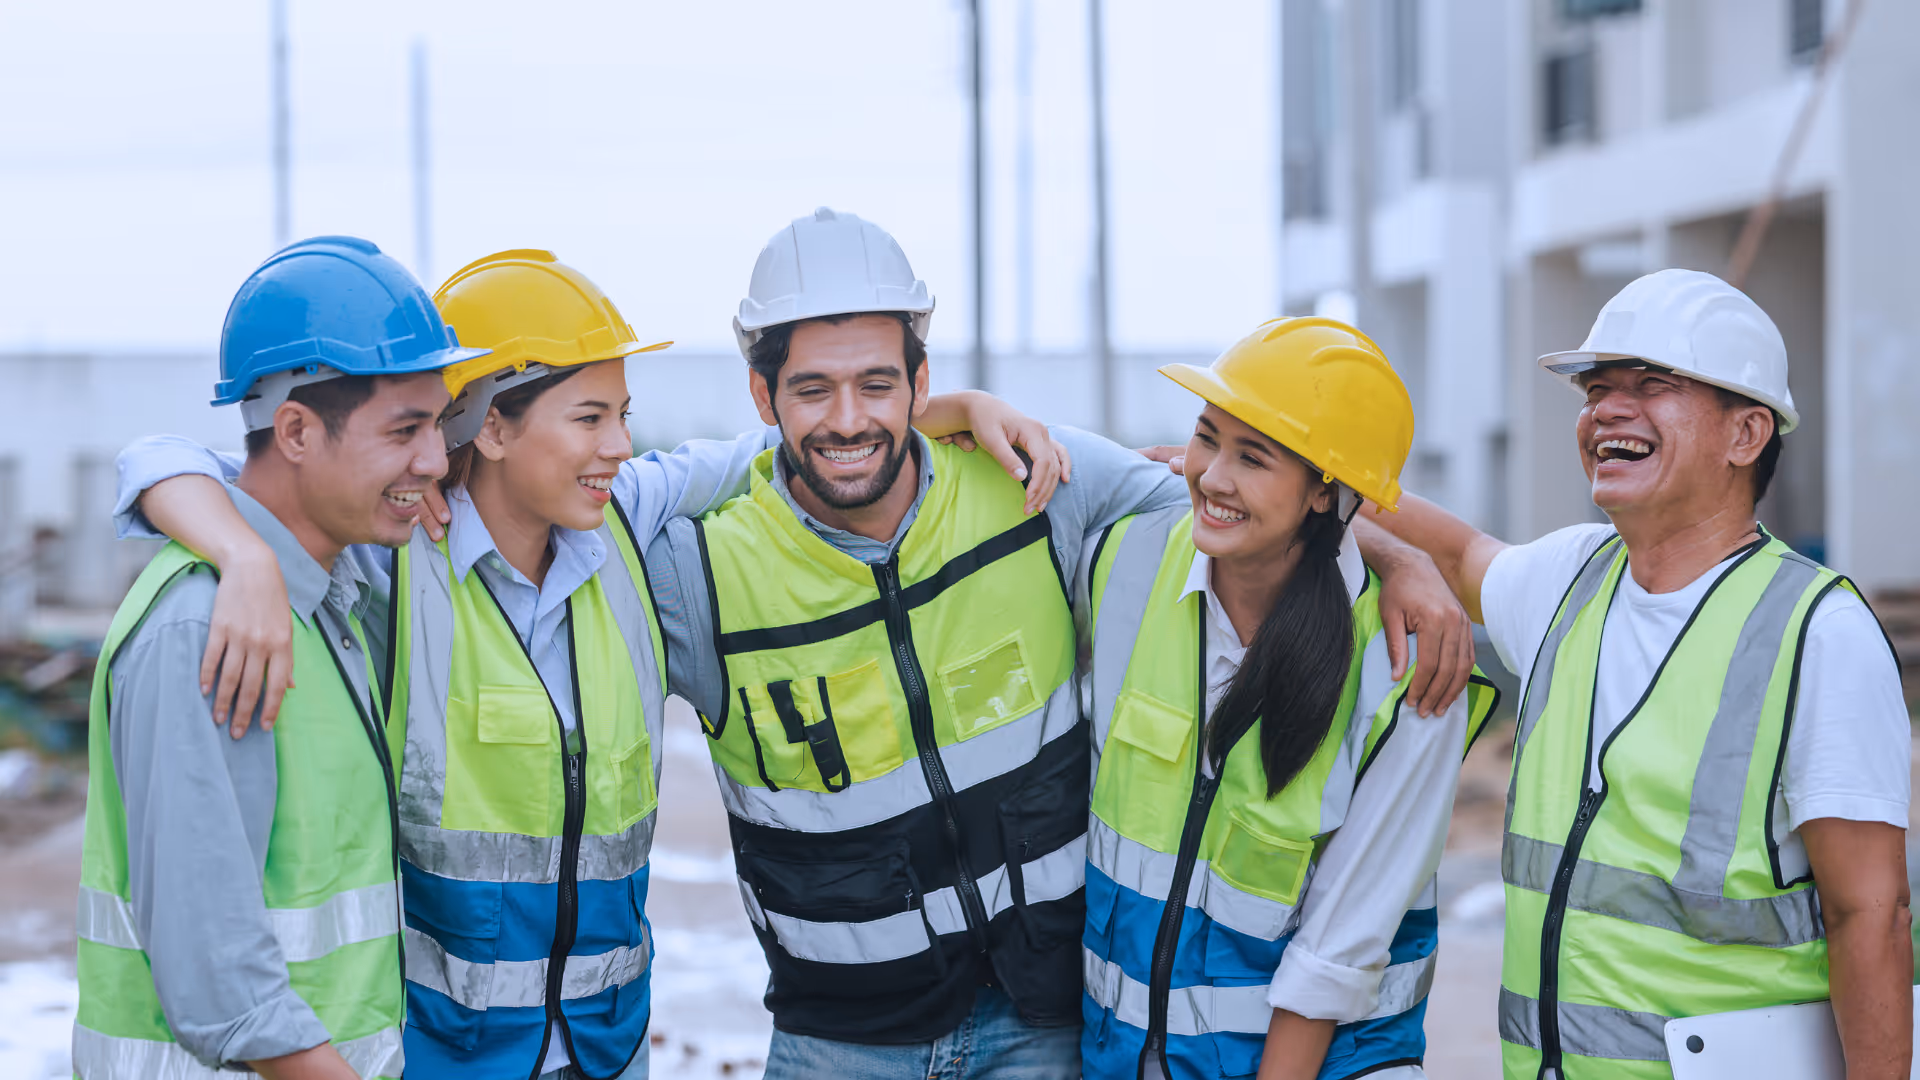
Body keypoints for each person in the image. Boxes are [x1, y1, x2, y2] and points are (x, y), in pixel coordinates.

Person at [111, 249, 1058, 1080]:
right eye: (591, 417)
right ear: (487, 426)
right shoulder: (397, 561)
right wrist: (239, 557)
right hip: (447, 1056)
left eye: (624, 416)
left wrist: (952, 410)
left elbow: (789, 448)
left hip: (606, 1052)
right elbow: (181, 460)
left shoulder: (628, 532)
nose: (620, 445)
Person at [644, 208, 1479, 1079]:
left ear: (920, 382)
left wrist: (1393, 553)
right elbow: (1228, 498)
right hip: (841, 1044)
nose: (847, 419)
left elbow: (1249, 513)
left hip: (1043, 1031)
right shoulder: (701, 570)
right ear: (762, 396)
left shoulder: (1041, 496)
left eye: (878, 384)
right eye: (812, 389)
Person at [1362, 269, 1912, 1080]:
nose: (1606, 410)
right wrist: (1291, 480)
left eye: (1651, 385)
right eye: (1597, 388)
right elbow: (1452, 551)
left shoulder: (1817, 631)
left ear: (1746, 434)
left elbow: (1870, 915)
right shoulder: (1571, 578)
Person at [73, 236, 485, 1079]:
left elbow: (174, 463)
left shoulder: (327, 587)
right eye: (405, 430)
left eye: (437, 426)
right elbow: (224, 989)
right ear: (295, 429)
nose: (435, 462)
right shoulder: (200, 630)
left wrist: (246, 552)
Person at [1077, 317, 1500, 1080]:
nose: (1211, 476)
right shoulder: (1126, 555)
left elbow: (1337, 949)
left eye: (1254, 456)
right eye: (1207, 437)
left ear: (1324, 491)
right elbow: (943, 443)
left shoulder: (1407, 666)